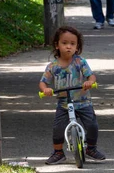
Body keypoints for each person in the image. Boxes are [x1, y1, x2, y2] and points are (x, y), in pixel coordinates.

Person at [39, 26, 106, 165]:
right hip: (63, 103)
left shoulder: (80, 62)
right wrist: (46, 89)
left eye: (72, 44)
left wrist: (89, 82)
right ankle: (58, 152)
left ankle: (91, 148)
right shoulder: (53, 66)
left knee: (92, 125)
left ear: (77, 47)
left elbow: (91, 75)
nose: (68, 47)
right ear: (57, 45)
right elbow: (43, 82)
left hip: (83, 101)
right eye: (64, 43)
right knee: (58, 128)